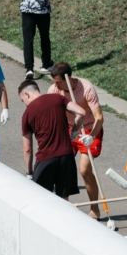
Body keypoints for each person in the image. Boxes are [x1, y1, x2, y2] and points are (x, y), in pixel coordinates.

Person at [46, 63, 105, 219]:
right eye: (54, 81)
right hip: (69, 129)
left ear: (68, 78)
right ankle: (63, 207)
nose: (55, 85)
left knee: (85, 169)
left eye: (58, 82)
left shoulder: (86, 88)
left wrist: (91, 136)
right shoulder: (54, 90)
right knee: (62, 167)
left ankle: (95, 209)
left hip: (90, 129)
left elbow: (99, 117)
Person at [19, 80, 88, 200]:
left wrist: (29, 173)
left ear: (27, 95)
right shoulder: (58, 98)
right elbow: (81, 113)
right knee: (64, 200)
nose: (24, 104)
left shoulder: (27, 114)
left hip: (45, 159)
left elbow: (27, 149)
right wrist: (74, 132)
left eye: (22, 101)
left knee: (41, 199)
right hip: (66, 156)